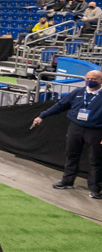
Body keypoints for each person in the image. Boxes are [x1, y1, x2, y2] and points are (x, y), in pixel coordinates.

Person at [31, 70, 102, 199]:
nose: (90, 80)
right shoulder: (78, 93)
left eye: (95, 79)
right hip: (75, 127)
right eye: (88, 78)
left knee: (95, 160)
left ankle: (94, 188)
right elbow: (60, 105)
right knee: (71, 155)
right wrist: (43, 115)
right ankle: (67, 181)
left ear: (100, 80)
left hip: (95, 131)